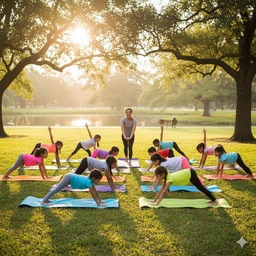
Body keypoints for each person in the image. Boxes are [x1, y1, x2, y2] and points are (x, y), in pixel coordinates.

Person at [149, 166, 218, 207]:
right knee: (200, 188)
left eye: (157, 176)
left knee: (200, 188)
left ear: (163, 174)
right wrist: (154, 200)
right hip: (189, 172)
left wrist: (157, 204)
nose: (157, 178)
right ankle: (213, 200)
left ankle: (214, 201)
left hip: (190, 174)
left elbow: (163, 192)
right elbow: (161, 190)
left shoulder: (169, 179)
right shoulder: (167, 177)